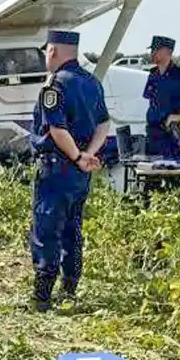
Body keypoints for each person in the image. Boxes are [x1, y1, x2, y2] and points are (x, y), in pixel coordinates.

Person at [28, 29, 111, 311]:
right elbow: (104, 124)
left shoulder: (55, 86)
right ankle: (70, 285)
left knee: (47, 227)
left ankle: (42, 297)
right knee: (73, 228)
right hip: (79, 172)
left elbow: (57, 129)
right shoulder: (92, 82)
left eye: (47, 51)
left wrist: (77, 156)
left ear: (53, 51)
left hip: (57, 168)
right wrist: (89, 154)